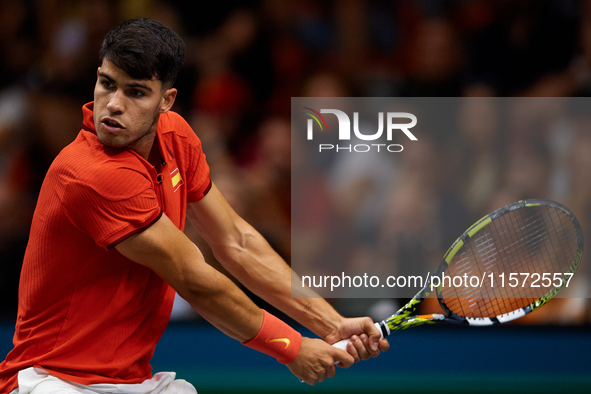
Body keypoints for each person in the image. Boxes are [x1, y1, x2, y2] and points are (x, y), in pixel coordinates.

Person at [0, 18, 389, 394]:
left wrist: (331, 323)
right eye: (107, 84)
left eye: (135, 92)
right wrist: (291, 346)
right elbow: (194, 279)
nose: (113, 104)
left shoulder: (176, 137)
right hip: (52, 380)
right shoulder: (90, 174)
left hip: (134, 381)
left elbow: (237, 241)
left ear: (166, 100)